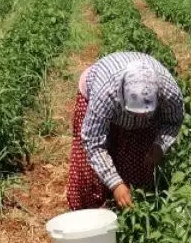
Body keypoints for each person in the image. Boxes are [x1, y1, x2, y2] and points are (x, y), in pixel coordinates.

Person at [66, 52, 184, 211]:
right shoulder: (105, 93)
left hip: (124, 101)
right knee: (88, 172)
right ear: (121, 95)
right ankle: (90, 214)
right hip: (94, 94)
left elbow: (173, 120)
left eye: (145, 112)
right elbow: (93, 143)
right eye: (135, 112)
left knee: (138, 162)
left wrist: (160, 146)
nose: (141, 116)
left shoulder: (169, 91)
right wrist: (115, 184)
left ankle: (127, 206)